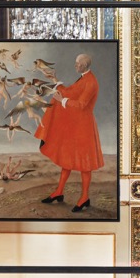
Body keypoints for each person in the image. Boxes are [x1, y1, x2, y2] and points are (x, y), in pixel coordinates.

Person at [34, 52, 103, 213]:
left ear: (84, 65)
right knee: (68, 160)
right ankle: (59, 192)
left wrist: (62, 100)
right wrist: (55, 79)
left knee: (85, 164)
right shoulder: (84, 78)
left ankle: (84, 197)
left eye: (77, 64)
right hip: (76, 126)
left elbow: (81, 104)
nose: (75, 66)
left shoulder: (91, 82)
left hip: (84, 128)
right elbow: (69, 92)